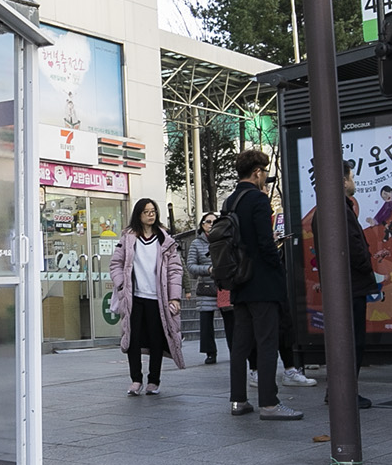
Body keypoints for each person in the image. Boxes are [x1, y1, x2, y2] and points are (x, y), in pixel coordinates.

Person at [224, 149, 299, 420]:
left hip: (239, 281)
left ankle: (238, 401)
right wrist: (277, 265)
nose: (265, 177)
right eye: (264, 173)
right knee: (267, 341)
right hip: (262, 282)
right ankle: (269, 403)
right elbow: (265, 243)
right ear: (257, 172)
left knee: (241, 345)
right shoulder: (257, 199)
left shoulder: (230, 201)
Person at [111, 197, 186, 395]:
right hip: (134, 297)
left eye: (153, 211)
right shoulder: (128, 238)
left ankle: (154, 380)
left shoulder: (165, 239)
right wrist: (121, 285)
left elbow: (175, 270)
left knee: (156, 340)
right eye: (146, 211)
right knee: (132, 338)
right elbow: (115, 264)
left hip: (157, 298)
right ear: (139, 214)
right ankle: (136, 380)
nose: (150, 214)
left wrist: (174, 297)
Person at [324, 164, 378, 411]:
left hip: (344, 284)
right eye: (351, 177)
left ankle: (337, 390)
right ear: (343, 181)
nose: (353, 181)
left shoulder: (331, 208)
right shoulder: (338, 210)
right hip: (350, 284)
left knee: (346, 339)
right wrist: (366, 265)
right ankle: (344, 392)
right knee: (351, 340)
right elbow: (353, 247)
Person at [188, 212, 220, 364]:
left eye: (215, 221)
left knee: (232, 320)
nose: (211, 224)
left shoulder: (226, 239)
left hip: (224, 285)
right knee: (206, 321)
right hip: (207, 285)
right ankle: (210, 352)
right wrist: (208, 270)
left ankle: (236, 350)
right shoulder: (196, 243)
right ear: (202, 225)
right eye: (208, 221)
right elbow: (191, 266)